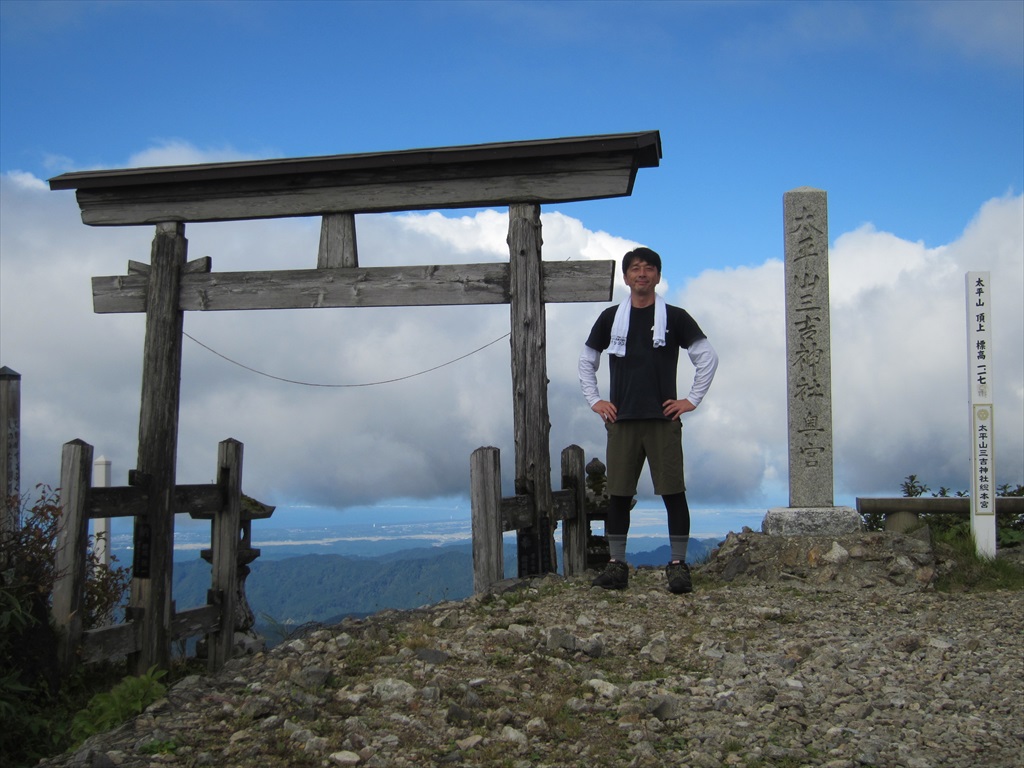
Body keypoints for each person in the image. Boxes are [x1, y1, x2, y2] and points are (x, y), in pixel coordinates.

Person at [578, 247, 718, 594]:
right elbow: (586, 360)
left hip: (662, 418)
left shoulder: (675, 317)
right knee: (618, 494)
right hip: (622, 418)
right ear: (626, 277)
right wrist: (595, 400)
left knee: (673, 492)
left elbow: (707, 357)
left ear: (658, 276)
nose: (642, 274)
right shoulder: (611, 318)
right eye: (636, 268)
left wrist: (691, 400)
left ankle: (678, 566)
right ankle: (616, 566)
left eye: (649, 268)